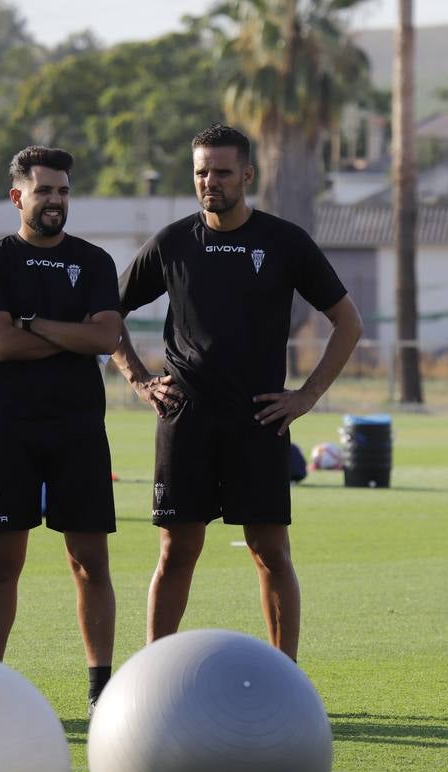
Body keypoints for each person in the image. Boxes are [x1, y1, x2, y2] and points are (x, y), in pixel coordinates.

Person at [110, 123, 363, 661]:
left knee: (269, 552)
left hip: (259, 419)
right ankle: (154, 672)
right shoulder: (173, 242)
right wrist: (138, 379)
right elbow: (109, 315)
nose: (211, 182)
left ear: (247, 174)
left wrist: (305, 396)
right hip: (186, 418)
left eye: (222, 172)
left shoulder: (284, 241)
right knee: (177, 551)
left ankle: (285, 674)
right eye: (202, 172)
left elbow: (348, 322)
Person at [0, 146, 122, 713]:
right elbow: (0, 345)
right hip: (10, 430)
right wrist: (66, 333)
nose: (55, 201)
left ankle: (100, 685)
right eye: (44, 191)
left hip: (79, 430)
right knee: (1, 564)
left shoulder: (96, 261)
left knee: (89, 561)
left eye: (62, 191)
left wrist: (31, 321)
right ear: (18, 197)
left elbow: (106, 338)